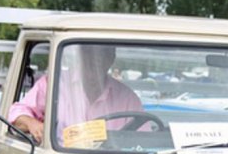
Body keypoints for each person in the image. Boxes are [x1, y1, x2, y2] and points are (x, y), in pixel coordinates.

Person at [8, 44, 143, 144]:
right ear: (80, 56)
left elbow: (142, 140)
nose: (92, 62)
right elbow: (15, 113)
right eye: (88, 54)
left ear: (110, 59)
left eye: (99, 57)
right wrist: (32, 124)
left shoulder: (127, 98)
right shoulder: (52, 84)